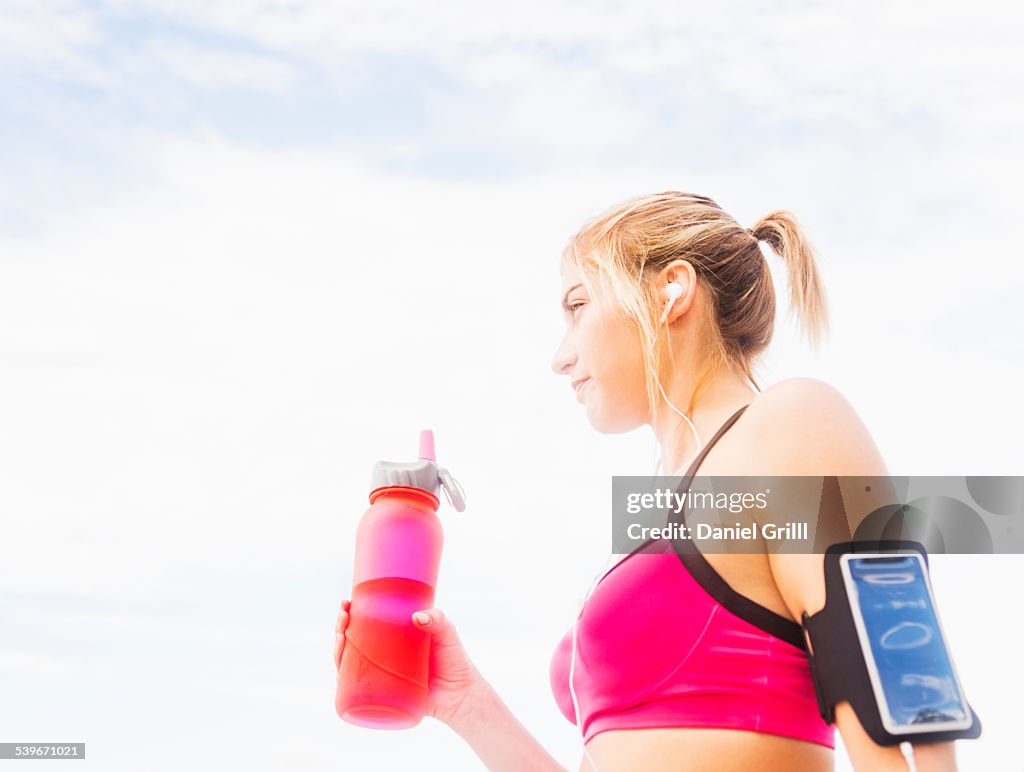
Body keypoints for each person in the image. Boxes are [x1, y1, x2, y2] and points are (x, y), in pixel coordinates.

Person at [334, 191, 960, 771]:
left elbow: (904, 691)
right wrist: (467, 704)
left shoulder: (793, 423)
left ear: (671, 292)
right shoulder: (653, 522)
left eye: (579, 306)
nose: (560, 355)